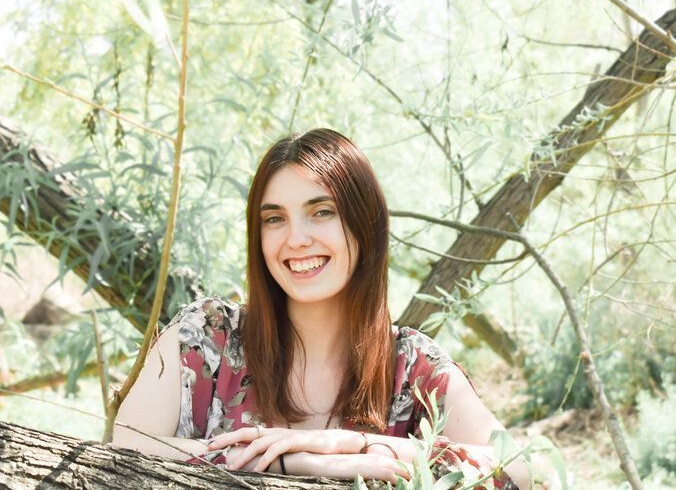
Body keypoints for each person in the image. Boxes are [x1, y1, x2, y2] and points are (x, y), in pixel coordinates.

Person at [112, 128, 529, 488]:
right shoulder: (205, 336)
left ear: (366, 225)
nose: (296, 239)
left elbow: (529, 474)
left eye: (321, 212)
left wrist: (356, 446)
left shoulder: (410, 367)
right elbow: (123, 453)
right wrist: (285, 462)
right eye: (275, 219)